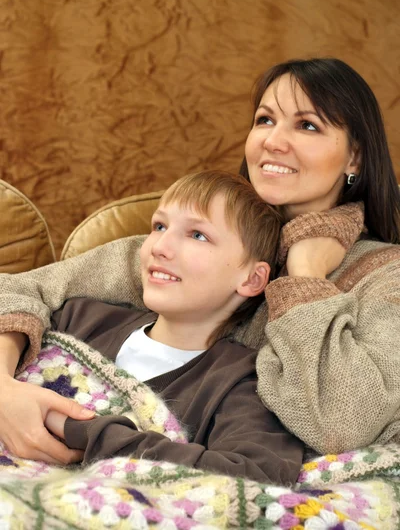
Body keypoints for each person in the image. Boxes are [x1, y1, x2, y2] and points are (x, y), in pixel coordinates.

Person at [0, 57, 399, 463]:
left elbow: (340, 425)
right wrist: (3, 391)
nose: (273, 141)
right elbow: (18, 289)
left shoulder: (386, 276)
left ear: (355, 157)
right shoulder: (186, 250)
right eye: (264, 120)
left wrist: (305, 274)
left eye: (307, 125)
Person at [35, 170, 302, 483]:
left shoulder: (241, 382)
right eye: (159, 226)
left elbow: (255, 476)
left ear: (252, 279)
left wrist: (77, 429)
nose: (159, 246)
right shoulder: (78, 318)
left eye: (197, 235)